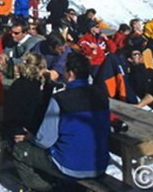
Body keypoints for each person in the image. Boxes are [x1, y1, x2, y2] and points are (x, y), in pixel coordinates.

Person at [12, 52, 111, 190]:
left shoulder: (60, 99)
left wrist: (29, 137)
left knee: (20, 150)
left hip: (69, 165)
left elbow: (44, 141)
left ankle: (46, 188)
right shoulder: (101, 96)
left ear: (70, 74)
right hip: (98, 164)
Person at [2, 53, 53, 143]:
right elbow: (35, 113)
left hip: (9, 124)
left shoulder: (18, 83)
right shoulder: (34, 88)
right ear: (39, 69)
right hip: (19, 129)